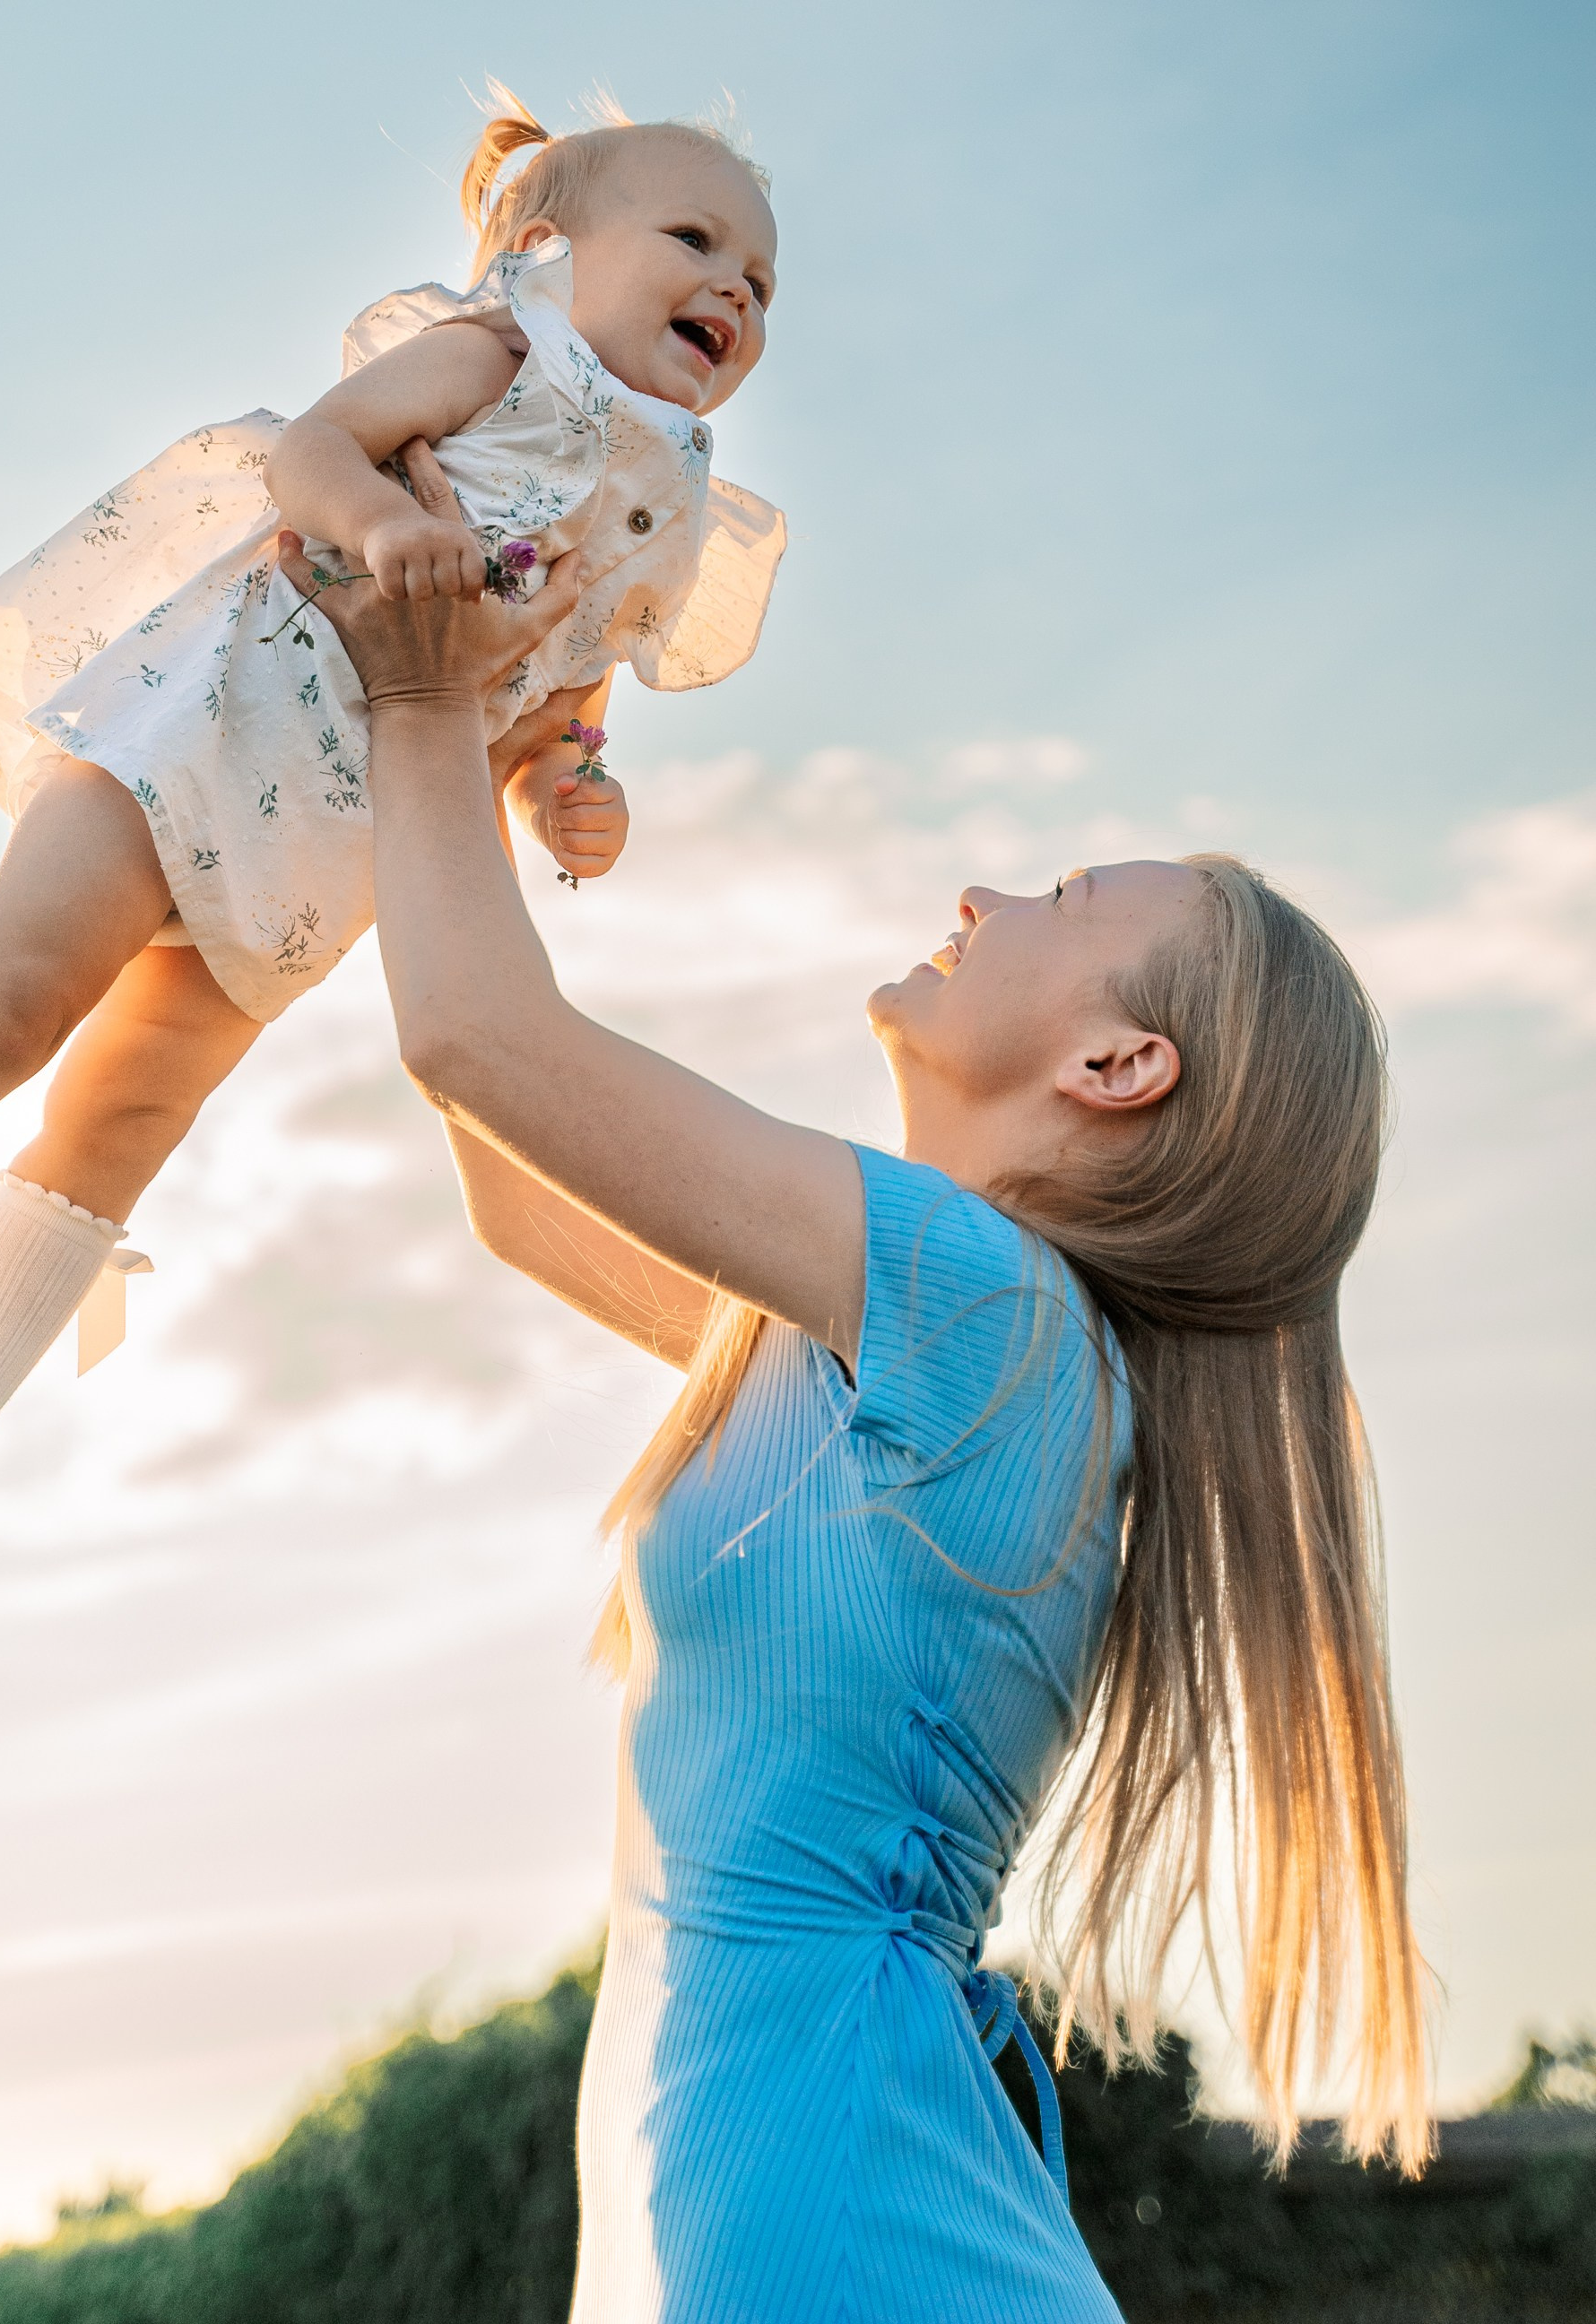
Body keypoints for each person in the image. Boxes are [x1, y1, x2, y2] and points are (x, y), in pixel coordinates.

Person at [299, 525, 1430, 2321]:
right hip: (796, 2182)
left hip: (821, 2203)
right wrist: (451, 767)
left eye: (1062, 901)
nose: (987, 897)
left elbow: (482, 1044)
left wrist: (428, 698)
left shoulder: (980, 1308)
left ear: (1119, 1069)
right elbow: (515, 1182)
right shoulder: (937, 1358)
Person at [0, 93, 785, 1603]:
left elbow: (561, 701)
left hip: (338, 843)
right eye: (696, 240)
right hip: (206, 724)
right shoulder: (498, 356)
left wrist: (573, 793)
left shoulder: (676, 509)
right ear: (545, 251)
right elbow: (317, 452)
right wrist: (386, 531)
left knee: (130, 1117)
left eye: (762, 283)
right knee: (16, 999)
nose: (733, 287)